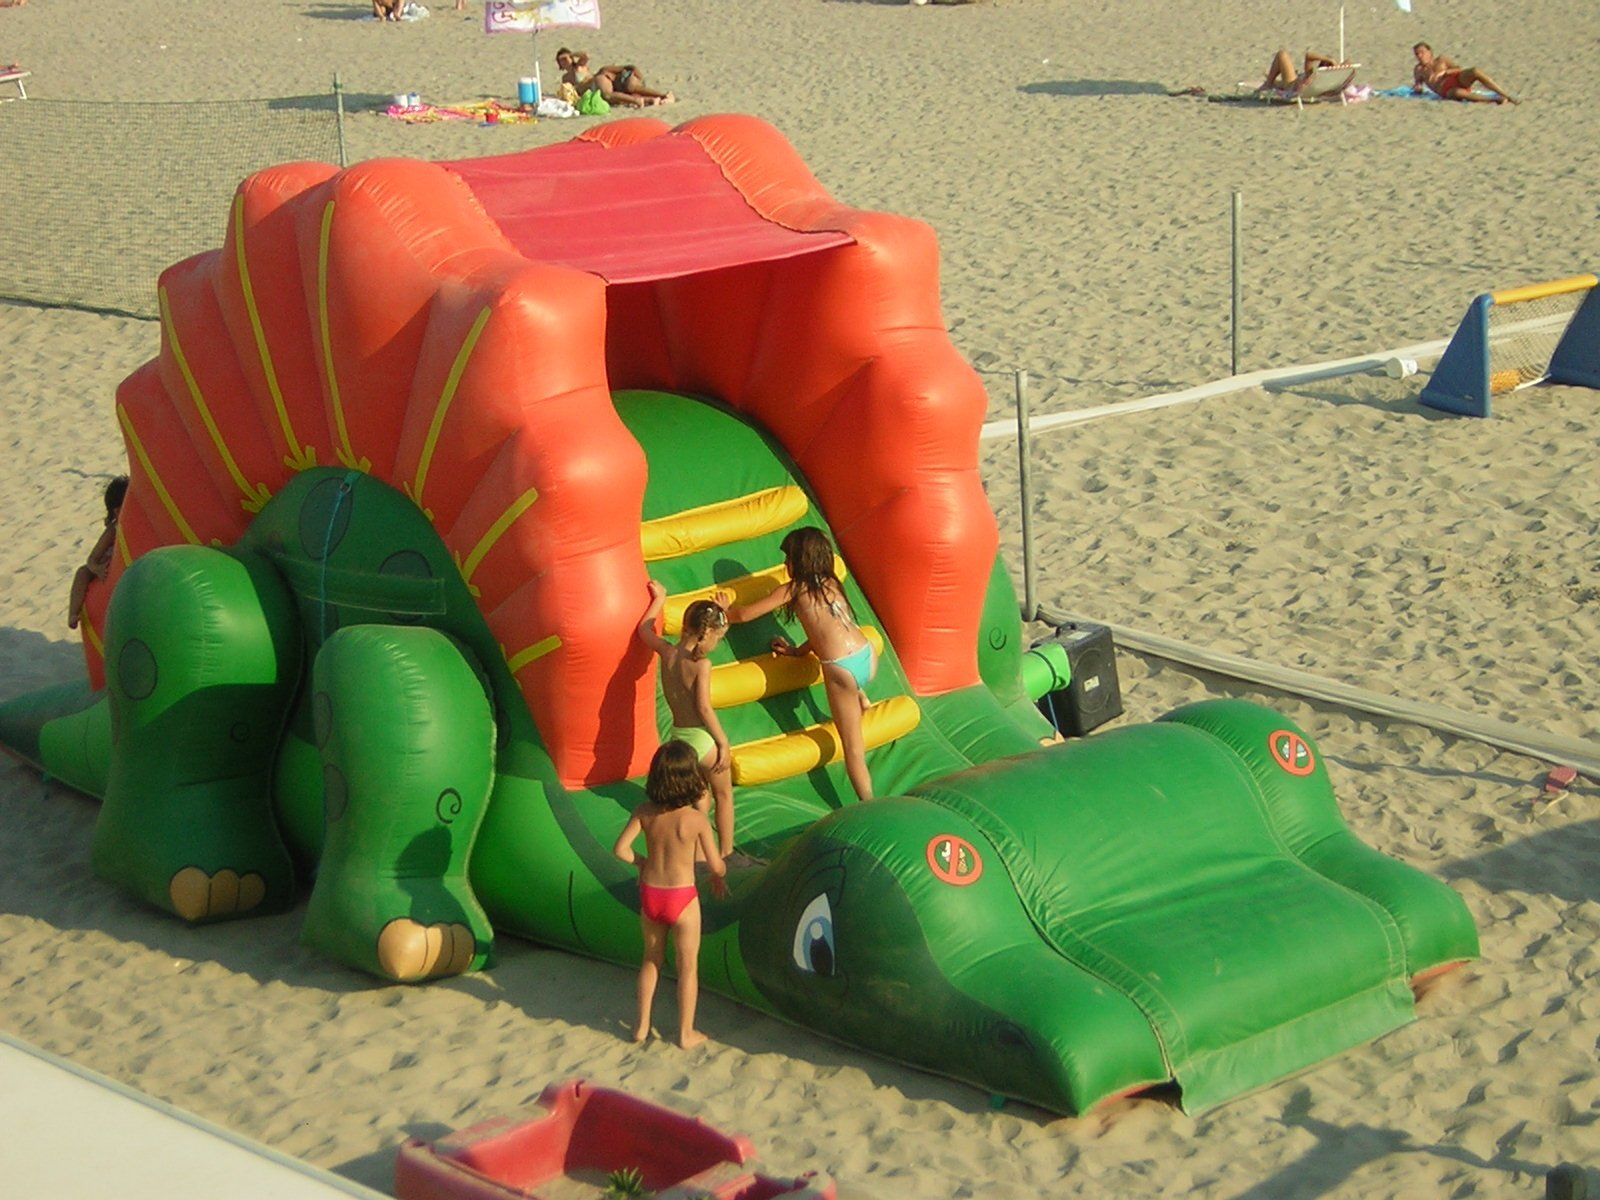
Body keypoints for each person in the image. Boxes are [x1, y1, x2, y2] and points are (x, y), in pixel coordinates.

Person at [722, 527, 877, 803]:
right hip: (866, 655)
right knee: (838, 662)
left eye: (788, 559)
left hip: (842, 669)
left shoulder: (794, 589)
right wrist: (796, 651)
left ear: (800, 561)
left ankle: (870, 804)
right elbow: (824, 632)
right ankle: (861, 697)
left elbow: (745, 615)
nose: (784, 565)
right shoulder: (831, 583)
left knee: (853, 750)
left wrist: (724, 612)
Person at [612, 740, 727, 1048]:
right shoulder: (695, 820)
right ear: (693, 778)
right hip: (682, 897)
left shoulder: (645, 813)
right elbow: (717, 865)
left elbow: (620, 850)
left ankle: (641, 1025)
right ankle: (686, 1033)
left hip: (651, 895)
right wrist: (719, 878)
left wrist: (642, 863)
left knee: (651, 960)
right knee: (688, 967)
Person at [636, 582, 741, 864]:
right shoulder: (701, 665)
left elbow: (644, 630)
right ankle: (726, 853)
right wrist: (722, 742)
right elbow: (704, 708)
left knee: (699, 799)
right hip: (702, 739)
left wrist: (660, 599)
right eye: (716, 639)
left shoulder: (668, 653)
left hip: (679, 737)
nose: (716, 645)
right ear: (706, 634)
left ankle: (695, 855)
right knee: (724, 796)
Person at [69, 475, 128, 630]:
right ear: (117, 511)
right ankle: (73, 613)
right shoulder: (113, 530)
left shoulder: (138, 525)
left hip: (123, 568)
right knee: (82, 573)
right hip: (106, 567)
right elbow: (92, 558)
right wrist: (97, 569)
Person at [555, 47, 675, 107]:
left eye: (566, 58)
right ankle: (652, 100)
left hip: (596, 82)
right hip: (590, 92)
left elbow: (585, 55)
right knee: (614, 99)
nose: (564, 61)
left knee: (609, 95)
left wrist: (572, 54)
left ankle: (640, 100)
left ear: (571, 58)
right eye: (561, 60)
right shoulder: (565, 78)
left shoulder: (580, 67)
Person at [1412, 42, 1517, 104]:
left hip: (1456, 78)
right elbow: (1418, 86)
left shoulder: (1441, 60)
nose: (1420, 56)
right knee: (1457, 92)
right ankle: (1494, 100)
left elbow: (1458, 68)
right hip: (1446, 89)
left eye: (1422, 52)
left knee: (1475, 71)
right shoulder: (1419, 70)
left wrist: (1445, 72)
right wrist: (1418, 88)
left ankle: (1505, 94)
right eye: (1417, 54)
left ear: (1430, 52)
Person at [1256, 48, 1345, 97]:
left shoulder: (1312, 74)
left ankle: (1269, 83)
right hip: (1297, 81)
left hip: (1291, 85)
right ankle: (1272, 80)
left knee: (1282, 54)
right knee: (1284, 68)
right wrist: (1336, 65)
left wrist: (1328, 59)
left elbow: (1308, 55)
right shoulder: (1330, 80)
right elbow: (1349, 62)